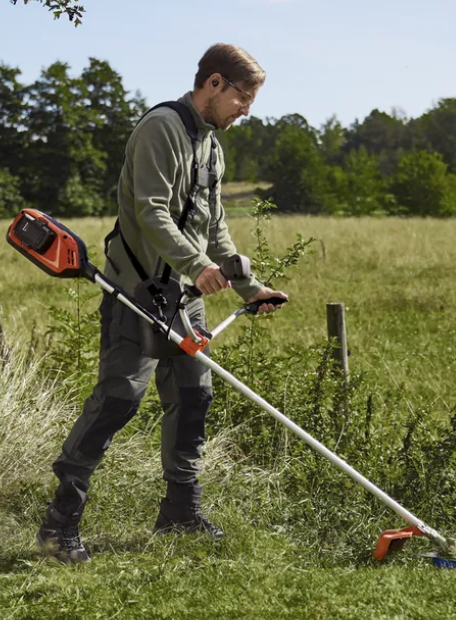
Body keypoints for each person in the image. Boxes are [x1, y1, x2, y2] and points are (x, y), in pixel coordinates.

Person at [36, 43, 288, 563]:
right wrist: (199, 266)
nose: (246, 110)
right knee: (119, 401)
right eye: (243, 97)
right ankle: (59, 525)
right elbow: (151, 212)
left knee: (194, 397)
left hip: (185, 298)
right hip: (137, 293)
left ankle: (180, 514)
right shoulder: (161, 128)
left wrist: (249, 286)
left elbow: (213, 225)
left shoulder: (211, 146)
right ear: (213, 84)